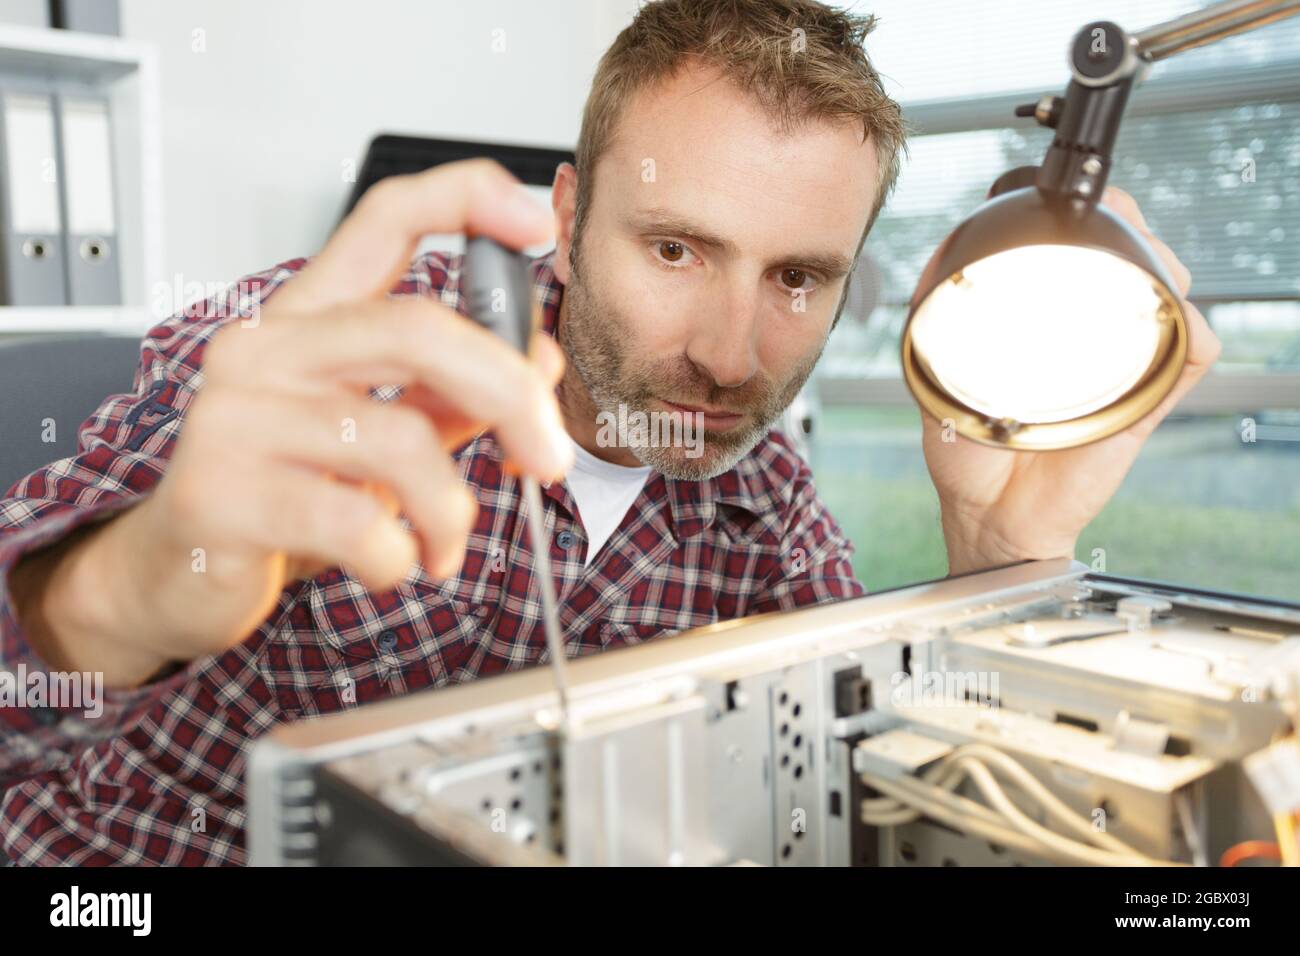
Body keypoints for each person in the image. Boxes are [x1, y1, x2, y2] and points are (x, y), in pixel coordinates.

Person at [0, 0, 1216, 865]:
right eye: (676, 248)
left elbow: (865, 800)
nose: (731, 354)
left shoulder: (766, 506)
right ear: (571, 214)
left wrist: (994, 544)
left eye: (796, 277)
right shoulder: (336, 346)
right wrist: (129, 586)